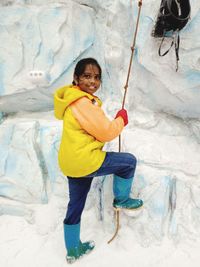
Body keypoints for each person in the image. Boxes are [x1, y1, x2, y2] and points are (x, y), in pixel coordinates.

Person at [54, 58, 143, 264]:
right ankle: (121, 199)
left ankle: (73, 249)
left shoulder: (71, 100)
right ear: (76, 78)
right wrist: (121, 119)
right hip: (84, 160)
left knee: (75, 204)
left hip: (71, 163)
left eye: (96, 77)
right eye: (87, 76)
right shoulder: (82, 102)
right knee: (128, 162)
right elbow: (105, 132)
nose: (92, 81)